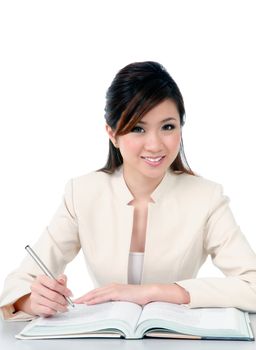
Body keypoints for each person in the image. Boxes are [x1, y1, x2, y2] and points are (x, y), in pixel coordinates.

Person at [1, 61, 256, 321]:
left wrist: (156, 291)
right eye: (138, 128)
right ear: (112, 134)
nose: (155, 144)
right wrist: (32, 301)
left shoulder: (206, 197)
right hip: (107, 339)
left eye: (168, 126)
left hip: (176, 339)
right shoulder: (83, 193)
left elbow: (253, 285)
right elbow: (19, 284)